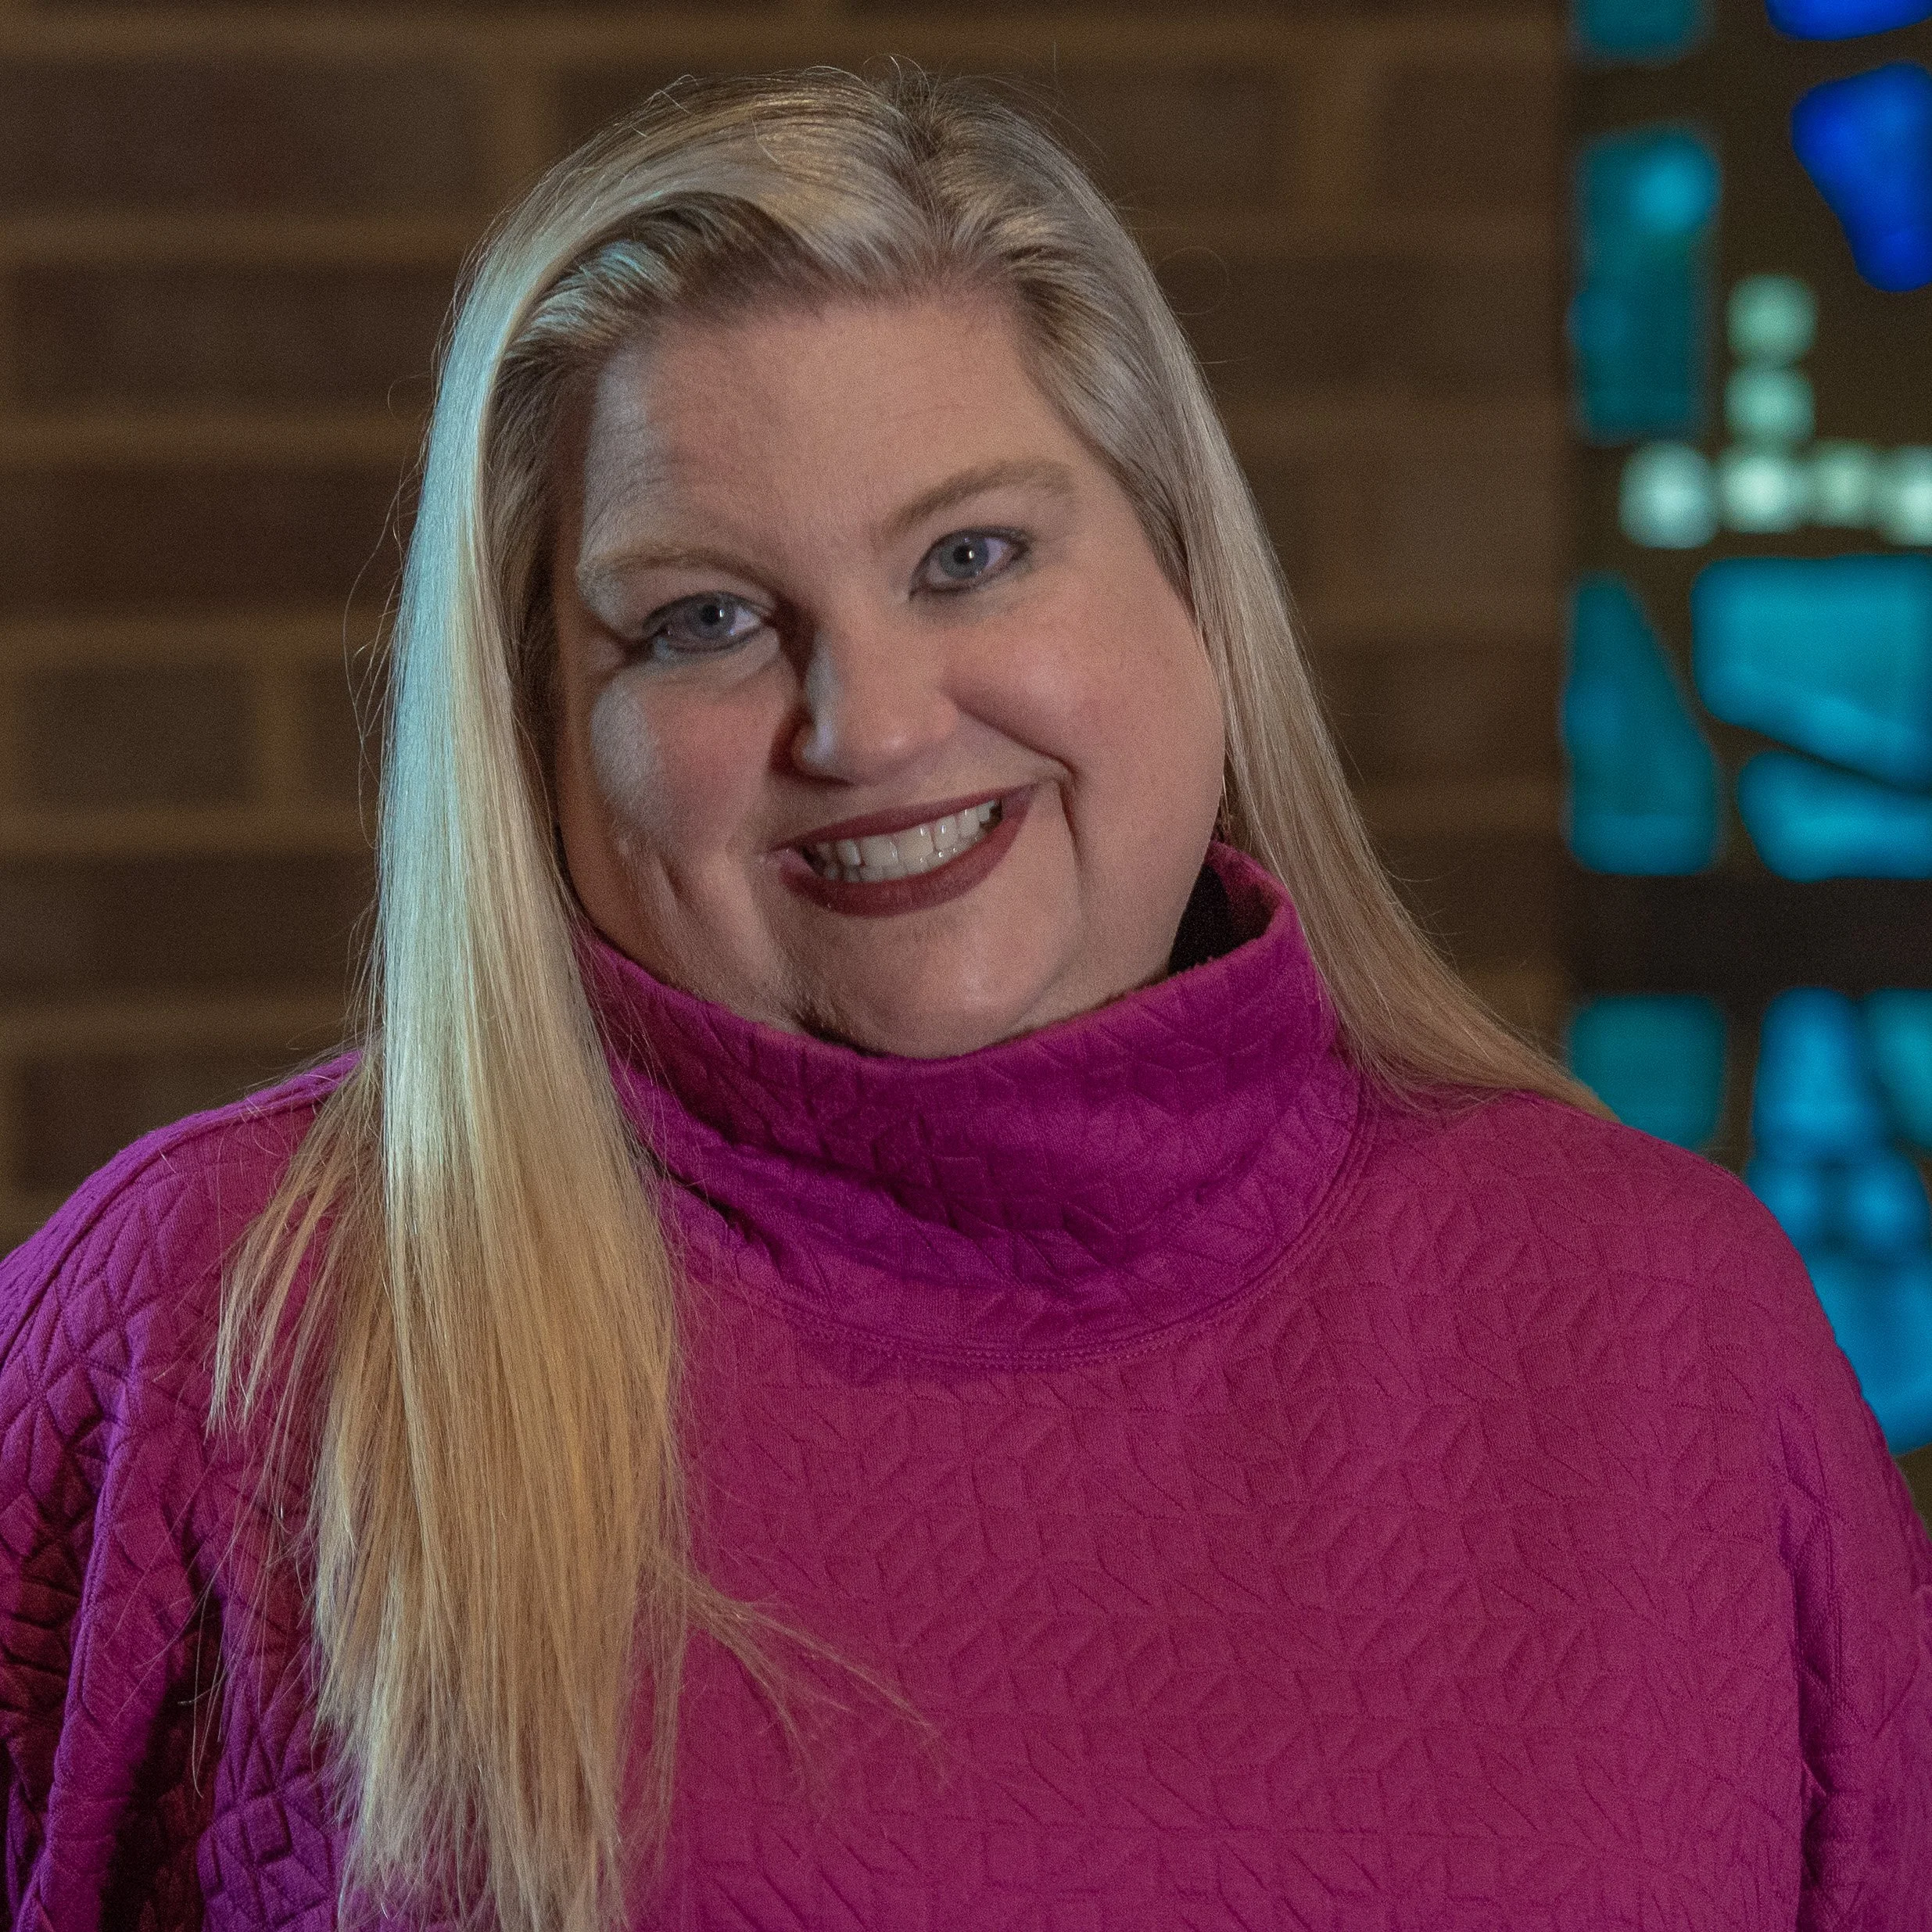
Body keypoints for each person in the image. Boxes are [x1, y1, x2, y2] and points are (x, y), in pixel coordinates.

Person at [2, 65, 1927, 1932]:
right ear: (535, 731)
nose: (870, 725)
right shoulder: (217, 1319)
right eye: (703, 621)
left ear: (1185, 579)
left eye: (969, 556)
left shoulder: (1655, 1313)